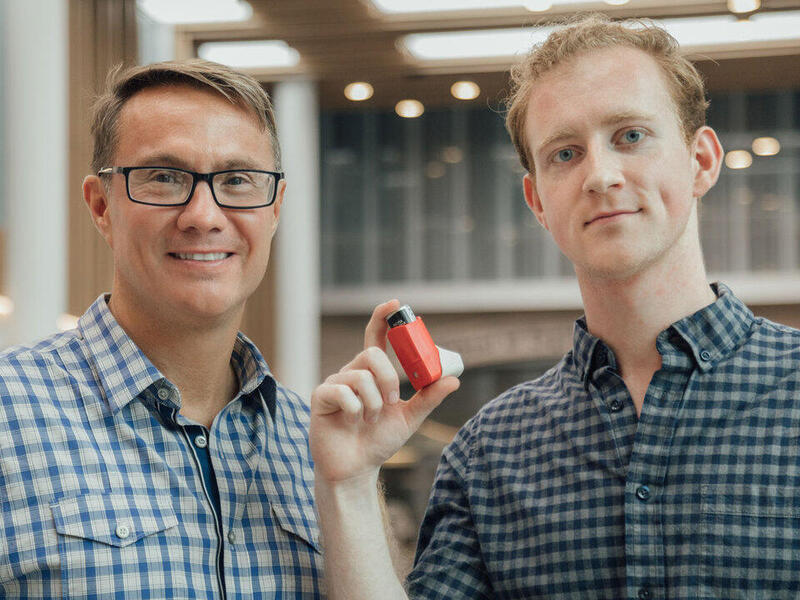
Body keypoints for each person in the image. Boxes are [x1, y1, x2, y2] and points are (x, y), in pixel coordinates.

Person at [310, 14, 800, 600]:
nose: (601, 175)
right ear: (537, 199)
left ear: (701, 161)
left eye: (631, 136)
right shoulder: (489, 453)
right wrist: (350, 482)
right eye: (566, 153)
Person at [0, 60, 323, 598]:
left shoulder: (315, 448)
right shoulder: (7, 413)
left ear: (275, 209)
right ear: (102, 206)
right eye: (164, 177)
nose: (203, 215)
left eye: (238, 180)